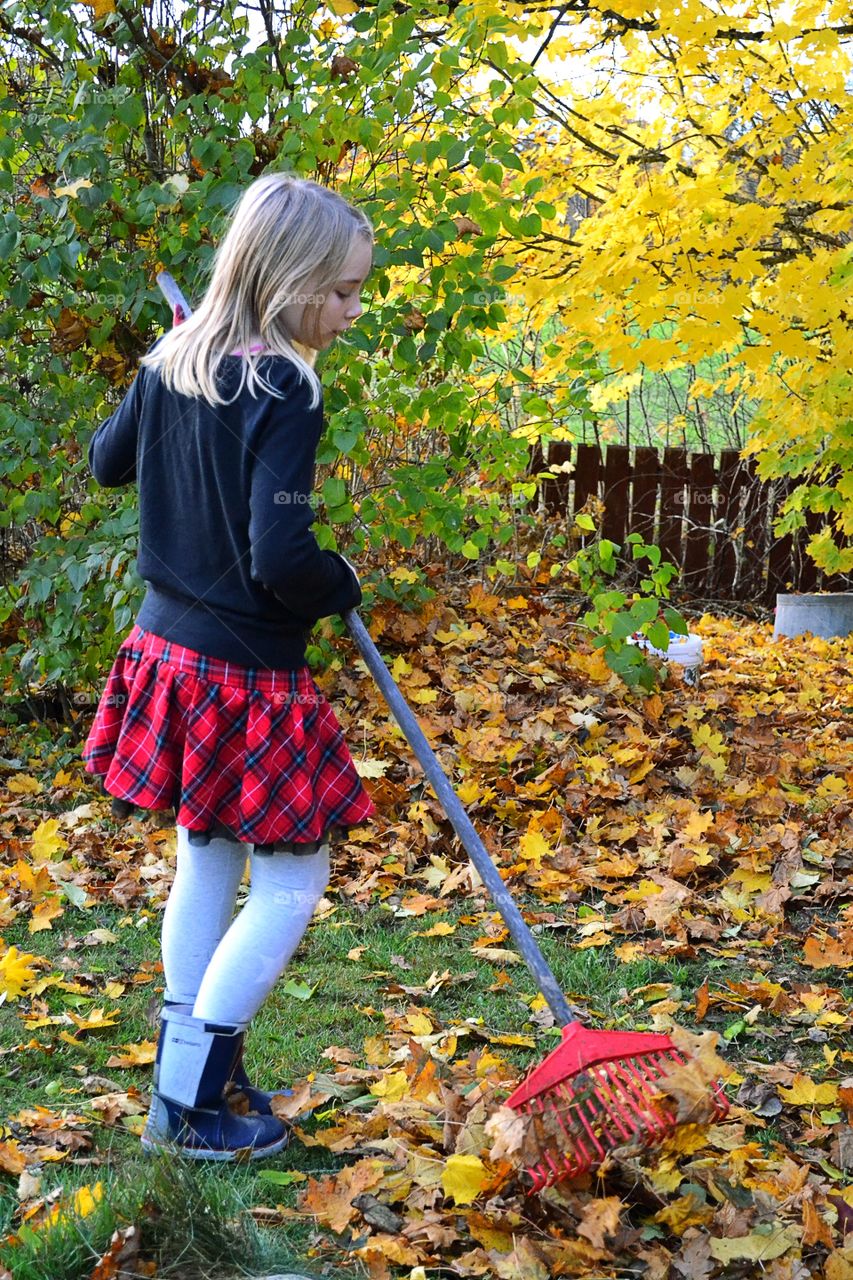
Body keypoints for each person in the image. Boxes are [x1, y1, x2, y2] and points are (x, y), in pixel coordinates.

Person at [81, 173, 377, 1161]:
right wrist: (337, 578)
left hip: (167, 653)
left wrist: (164, 369)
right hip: (244, 672)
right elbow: (281, 558)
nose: (351, 308)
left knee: (205, 859)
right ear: (288, 278)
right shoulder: (283, 385)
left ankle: (190, 1084)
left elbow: (105, 462)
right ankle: (193, 1103)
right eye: (339, 290)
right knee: (293, 881)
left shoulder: (178, 359)